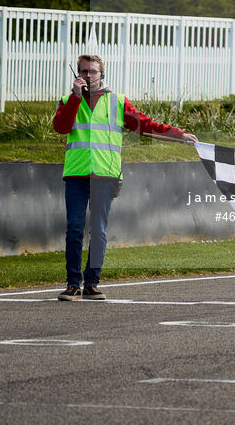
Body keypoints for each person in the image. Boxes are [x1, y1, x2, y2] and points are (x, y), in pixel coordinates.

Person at [53, 54, 198, 300]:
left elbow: (146, 125)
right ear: (77, 74)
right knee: (74, 229)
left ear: (102, 74)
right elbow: (61, 127)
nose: (89, 75)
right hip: (76, 175)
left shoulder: (117, 102)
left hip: (105, 176)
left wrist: (179, 134)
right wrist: (76, 99)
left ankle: (92, 282)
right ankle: (72, 283)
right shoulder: (68, 101)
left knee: (98, 231)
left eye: (93, 71)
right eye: (84, 71)